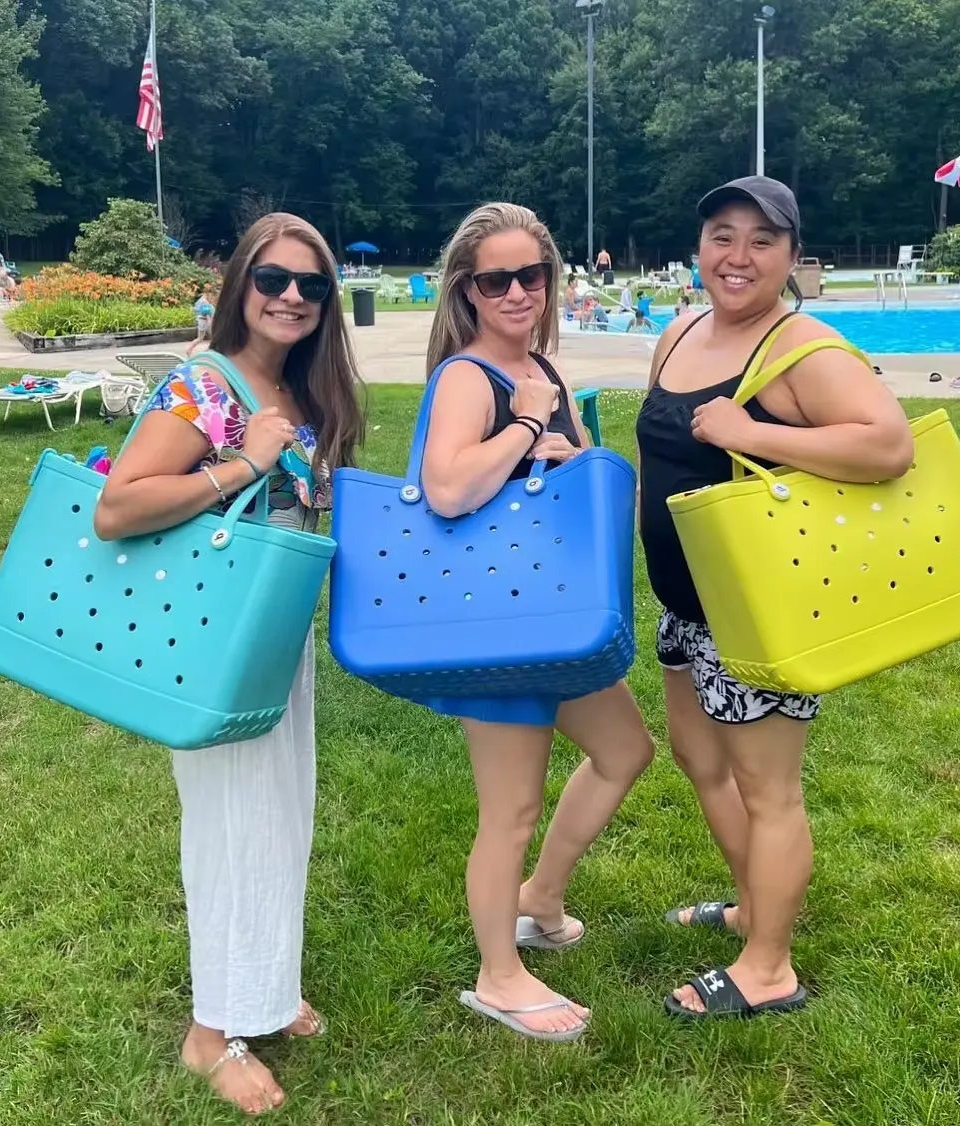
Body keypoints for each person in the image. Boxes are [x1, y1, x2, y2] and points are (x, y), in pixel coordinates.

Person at [94, 213, 365, 1113]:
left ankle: (264, 990)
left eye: (312, 286)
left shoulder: (290, 386)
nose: (292, 297)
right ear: (240, 284)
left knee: (280, 813)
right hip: (211, 634)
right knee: (229, 823)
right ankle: (211, 1033)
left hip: (268, 632)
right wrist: (238, 464)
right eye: (274, 279)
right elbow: (119, 508)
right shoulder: (203, 386)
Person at [635, 176, 914, 1021]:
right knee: (698, 759)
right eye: (723, 235)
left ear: (793, 257)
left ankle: (769, 967)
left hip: (758, 609)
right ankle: (754, 904)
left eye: (763, 240)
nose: (739, 256)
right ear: (699, 247)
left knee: (769, 791)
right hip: (688, 602)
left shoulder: (804, 349)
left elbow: (889, 444)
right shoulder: (681, 331)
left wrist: (751, 432)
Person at [419, 202, 654, 1042]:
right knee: (508, 811)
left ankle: (540, 898)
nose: (518, 291)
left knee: (625, 750)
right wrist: (522, 426)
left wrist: (570, 454)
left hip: (549, 613)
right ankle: (497, 975)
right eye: (497, 279)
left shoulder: (544, 371)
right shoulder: (465, 377)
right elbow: (446, 489)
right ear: (469, 291)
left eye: (533, 275)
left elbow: (575, 477)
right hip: (493, 623)